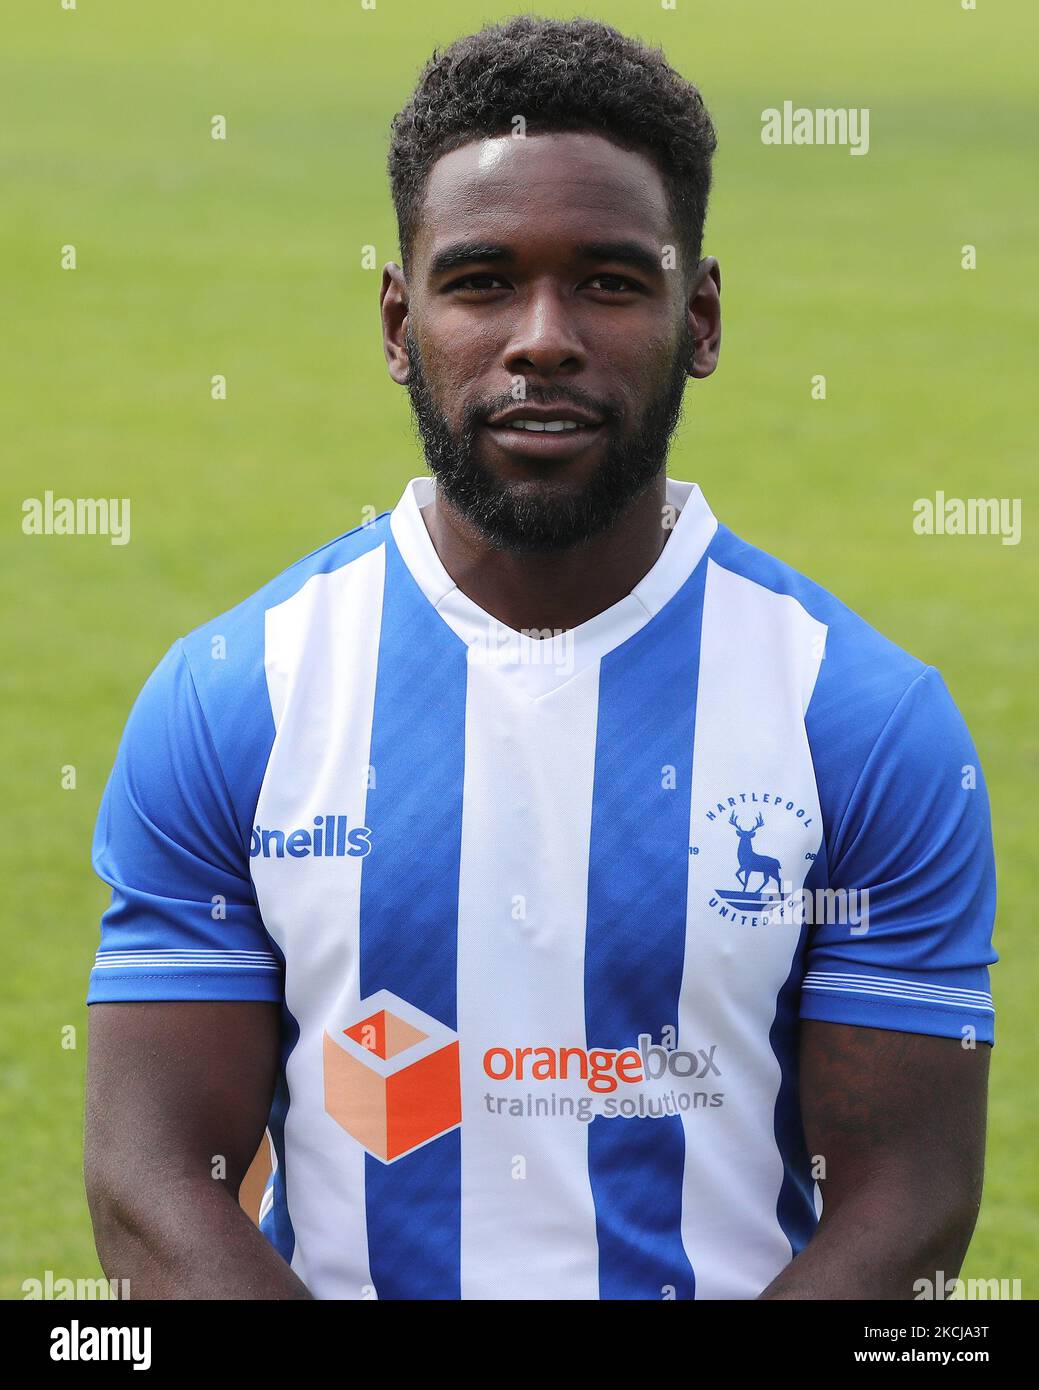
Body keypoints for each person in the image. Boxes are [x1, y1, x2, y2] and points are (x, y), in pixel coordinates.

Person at [84, 15, 997, 1300]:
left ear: (700, 319)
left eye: (610, 283)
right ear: (397, 322)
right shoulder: (238, 698)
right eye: (482, 282)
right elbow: (154, 1180)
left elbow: (906, 1202)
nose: (543, 339)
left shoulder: (859, 719)